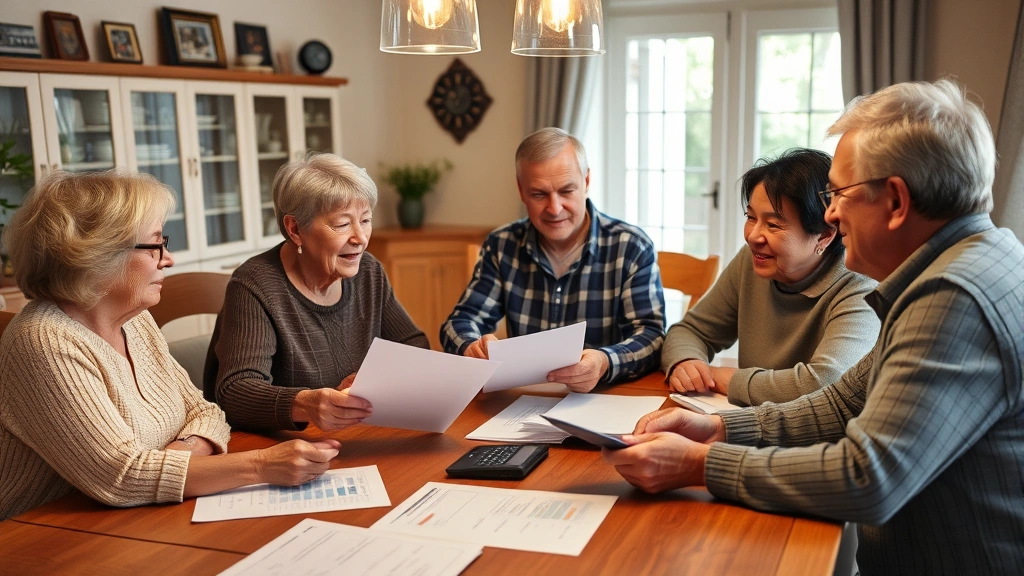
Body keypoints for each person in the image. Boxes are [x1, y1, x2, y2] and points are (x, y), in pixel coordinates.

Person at [602, 79, 1024, 574]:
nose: (829, 214)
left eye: (840, 193)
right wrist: (717, 428)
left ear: (895, 201)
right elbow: (844, 401)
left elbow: (868, 478)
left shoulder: (953, 295)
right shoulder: (962, 265)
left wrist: (698, 465)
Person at [0, 170, 341, 520]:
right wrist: (262, 465)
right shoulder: (43, 342)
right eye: (154, 245)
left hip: (138, 517)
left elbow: (207, 412)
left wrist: (172, 458)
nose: (168, 258)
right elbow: (122, 476)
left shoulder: (134, 319)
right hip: (43, 535)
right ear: (97, 257)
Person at [206, 154, 429, 431]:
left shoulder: (368, 271)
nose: (360, 237)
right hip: (280, 446)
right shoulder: (256, 284)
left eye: (365, 220)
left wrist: (377, 379)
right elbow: (235, 392)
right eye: (342, 224)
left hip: (353, 435)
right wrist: (305, 404)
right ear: (295, 229)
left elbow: (413, 344)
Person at [440, 127, 665, 391]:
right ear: (521, 190)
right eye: (538, 194)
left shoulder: (631, 247)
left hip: (606, 397)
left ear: (587, 182)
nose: (555, 209)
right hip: (522, 401)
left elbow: (652, 336)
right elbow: (459, 322)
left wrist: (604, 361)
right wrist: (471, 346)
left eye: (566, 191)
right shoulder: (502, 245)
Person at [662, 149, 879, 406]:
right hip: (748, 425)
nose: (754, 236)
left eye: (774, 225)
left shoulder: (860, 285)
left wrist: (728, 380)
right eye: (751, 217)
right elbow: (691, 331)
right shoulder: (755, 260)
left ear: (824, 235)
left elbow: (826, 382)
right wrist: (687, 361)